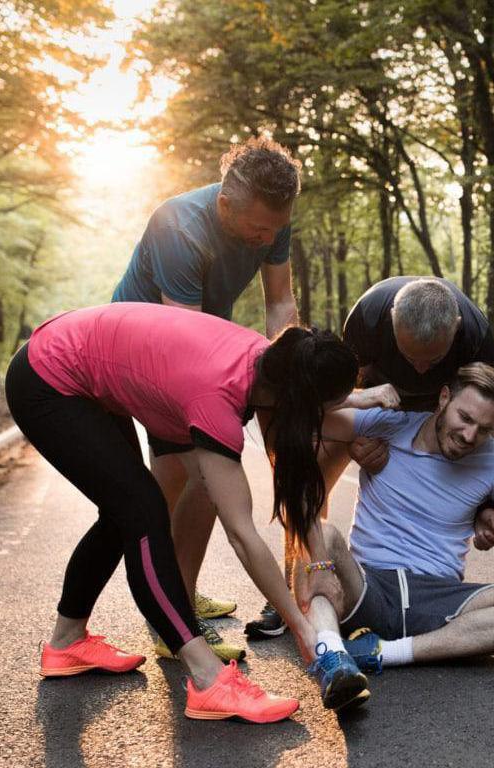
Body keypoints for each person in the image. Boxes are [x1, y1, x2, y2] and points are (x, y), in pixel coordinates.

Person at [5, 302, 370, 718]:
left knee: (123, 506)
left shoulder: (271, 360)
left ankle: (66, 642)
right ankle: (207, 678)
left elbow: (290, 469)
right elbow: (242, 535)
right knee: (143, 511)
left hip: (75, 363)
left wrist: (366, 400)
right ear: (295, 400)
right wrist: (304, 629)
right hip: (47, 379)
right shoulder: (216, 397)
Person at [246, 276, 494, 641]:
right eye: (411, 357)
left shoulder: (475, 333)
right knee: (311, 449)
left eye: (434, 359)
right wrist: (359, 433)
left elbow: (490, 421)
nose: (421, 369)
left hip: (456, 408)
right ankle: (297, 574)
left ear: (455, 330)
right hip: (383, 400)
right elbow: (329, 396)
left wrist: (487, 503)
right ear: (393, 320)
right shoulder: (367, 317)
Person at [111, 137, 301, 658]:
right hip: (143, 349)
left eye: (276, 228)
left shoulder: (273, 218)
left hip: (193, 340)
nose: (268, 237)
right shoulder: (180, 226)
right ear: (224, 205)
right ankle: (176, 624)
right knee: (200, 475)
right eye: (259, 228)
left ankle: (176, 593)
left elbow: (281, 301)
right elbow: (185, 340)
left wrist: (287, 371)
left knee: (177, 479)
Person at [309, 363, 494, 671]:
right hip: (366, 585)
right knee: (317, 533)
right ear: (443, 399)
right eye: (464, 418)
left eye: (483, 429)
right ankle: (333, 653)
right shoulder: (387, 425)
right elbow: (301, 415)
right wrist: (356, 397)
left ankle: (384, 653)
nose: (469, 435)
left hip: (438, 598)